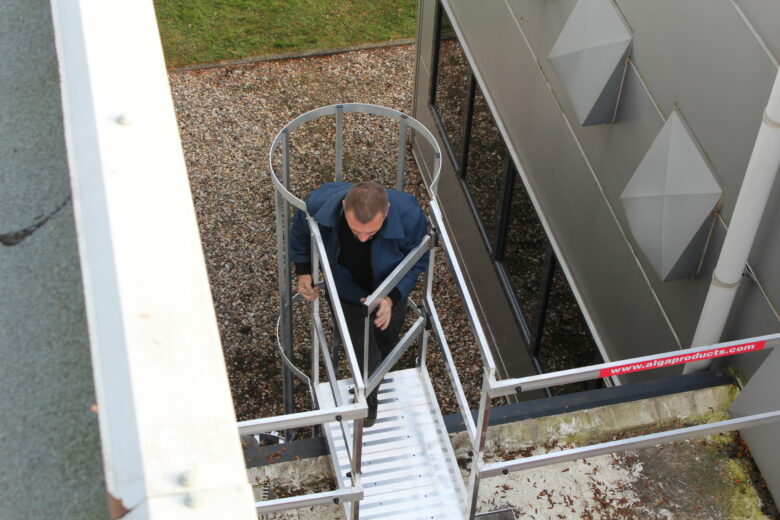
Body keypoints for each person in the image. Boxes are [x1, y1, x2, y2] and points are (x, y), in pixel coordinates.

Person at [290, 181, 428, 427]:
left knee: (386, 342)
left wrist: (392, 296)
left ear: (386, 212)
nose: (363, 239)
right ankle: (368, 397)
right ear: (344, 206)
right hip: (347, 293)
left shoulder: (409, 215)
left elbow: (419, 257)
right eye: (356, 231)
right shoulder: (320, 204)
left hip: (389, 293)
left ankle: (376, 376)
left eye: (371, 232)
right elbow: (302, 228)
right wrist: (303, 270)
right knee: (362, 351)